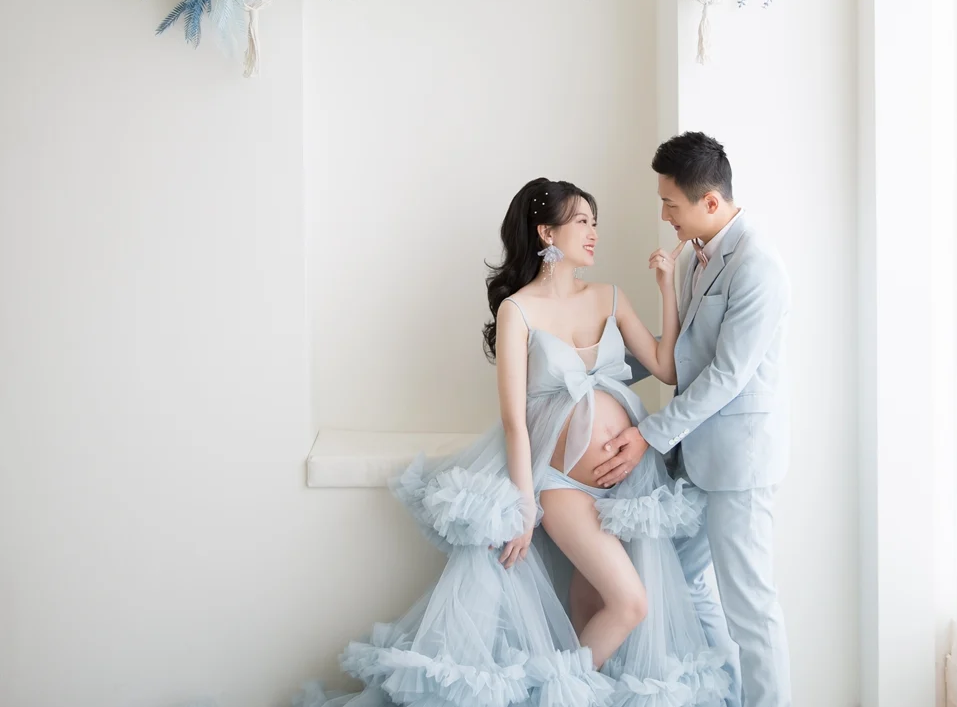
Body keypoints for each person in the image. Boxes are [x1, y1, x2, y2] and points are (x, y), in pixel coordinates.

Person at [296, 177, 733, 707]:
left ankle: (568, 696)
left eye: (595, 222)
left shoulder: (609, 296)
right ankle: (551, 698)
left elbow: (666, 367)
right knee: (630, 604)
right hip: (563, 487)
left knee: (591, 612)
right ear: (546, 233)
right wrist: (524, 509)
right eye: (582, 222)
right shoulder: (517, 311)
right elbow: (514, 422)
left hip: (625, 490)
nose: (594, 233)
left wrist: (666, 287)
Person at [594, 132, 792, 707]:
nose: (664, 216)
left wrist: (647, 436)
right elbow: (680, 357)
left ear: (709, 201)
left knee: (750, 609)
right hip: (696, 460)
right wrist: (597, 371)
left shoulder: (758, 265)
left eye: (670, 204)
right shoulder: (691, 258)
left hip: (738, 465)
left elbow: (726, 376)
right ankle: (725, 693)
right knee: (676, 581)